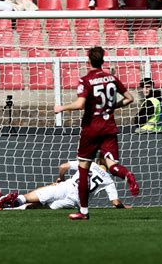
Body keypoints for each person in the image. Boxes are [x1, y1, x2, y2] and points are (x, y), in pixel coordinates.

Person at [54, 46, 139, 220]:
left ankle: (83, 212)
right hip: (109, 128)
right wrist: (112, 106)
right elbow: (130, 98)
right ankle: (126, 174)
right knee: (112, 165)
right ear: (103, 60)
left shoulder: (86, 80)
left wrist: (61, 108)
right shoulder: (112, 78)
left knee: (83, 169)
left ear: (88, 61)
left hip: (91, 129)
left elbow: (80, 104)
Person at [0, 157, 130, 211]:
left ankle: (9, 201)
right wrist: (125, 207)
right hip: (74, 200)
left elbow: (63, 166)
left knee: (30, 196)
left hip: (67, 187)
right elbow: (116, 202)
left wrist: (61, 178)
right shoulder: (109, 181)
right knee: (41, 207)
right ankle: (7, 210)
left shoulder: (90, 164)